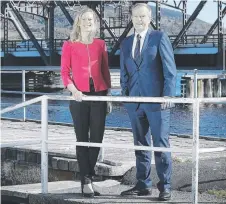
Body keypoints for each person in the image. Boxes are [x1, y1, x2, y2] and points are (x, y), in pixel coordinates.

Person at [120, 3, 177, 201]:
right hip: (134, 103)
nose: (139, 20)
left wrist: (168, 96)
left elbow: (170, 70)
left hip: (157, 102)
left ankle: (165, 187)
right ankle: (143, 184)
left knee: (161, 145)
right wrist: (125, 96)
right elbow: (124, 72)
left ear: (150, 17)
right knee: (140, 144)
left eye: (143, 16)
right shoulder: (126, 42)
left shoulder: (159, 38)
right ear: (131, 18)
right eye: (136, 16)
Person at [61, 8, 111, 198]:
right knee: (82, 139)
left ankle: (88, 177)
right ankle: (86, 181)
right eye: (85, 19)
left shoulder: (101, 44)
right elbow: (65, 72)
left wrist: (109, 96)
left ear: (95, 23)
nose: (89, 22)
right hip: (78, 97)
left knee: (96, 138)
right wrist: (73, 90)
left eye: (91, 19)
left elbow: (105, 71)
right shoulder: (69, 45)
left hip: (99, 95)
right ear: (79, 22)